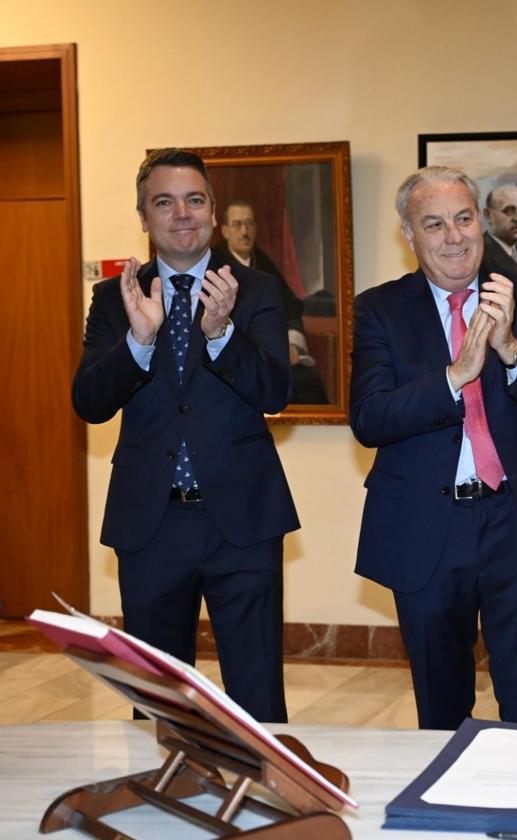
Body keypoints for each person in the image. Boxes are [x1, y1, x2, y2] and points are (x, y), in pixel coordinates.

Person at [71, 149, 298, 721]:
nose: (182, 214)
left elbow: (275, 392)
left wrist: (222, 336)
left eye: (194, 200)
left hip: (243, 523)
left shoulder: (258, 291)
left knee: (257, 694)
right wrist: (138, 343)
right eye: (164, 202)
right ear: (143, 217)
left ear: (214, 213)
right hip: (151, 524)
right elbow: (90, 404)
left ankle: (269, 806)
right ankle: (163, 804)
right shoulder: (114, 298)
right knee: (157, 701)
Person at [350, 166, 517, 730]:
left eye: (463, 218)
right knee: (441, 708)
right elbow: (370, 417)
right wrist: (454, 377)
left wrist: (510, 348)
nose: (454, 236)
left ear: (480, 222)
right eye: (434, 224)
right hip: (428, 527)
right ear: (410, 236)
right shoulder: (380, 309)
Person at [214, 199, 329, 404]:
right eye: (237, 224)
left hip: (268, 349)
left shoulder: (263, 262)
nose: (244, 231)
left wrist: (292, 344)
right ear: (224, 231)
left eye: (249, 224)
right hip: (232, 354)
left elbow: (290, 305)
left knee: (310, 385)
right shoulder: (215, 265)